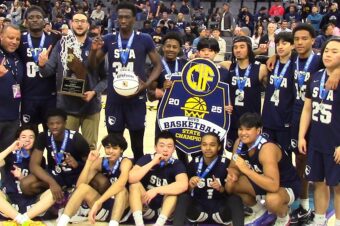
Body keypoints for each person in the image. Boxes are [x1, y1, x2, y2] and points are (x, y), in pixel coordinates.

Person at [89, 1, 162, 161]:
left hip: (136, 99)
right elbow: (93, 66)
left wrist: (146, 84)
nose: (123, 20)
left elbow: (158, 65)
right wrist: (93, 52)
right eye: (120, 17)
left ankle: (137, 177)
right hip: (114, 99)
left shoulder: (145, 39)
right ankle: (116, 175)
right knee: (114, 144)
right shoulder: (108, 39)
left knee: (137, 145)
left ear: (134, 19)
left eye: (127, 17)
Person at [38, 12, 107, 149]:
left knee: (90, 149)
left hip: (91, 107)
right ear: (71, 24)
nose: (79, 24)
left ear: (88, 24)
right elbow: (47, 72)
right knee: (67, 148)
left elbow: (106, 77)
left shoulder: (97, 45)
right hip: (66, 108)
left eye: (83, 21)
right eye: (76, 21)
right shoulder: (61, 44)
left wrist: (94, 92)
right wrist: (41, 64)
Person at [226, 112, 301, 225]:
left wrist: (246, 170)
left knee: (272, 200)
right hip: (262, 181)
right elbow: (232, 167)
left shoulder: (267, 149)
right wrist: (233, 174)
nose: (243, 133)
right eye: (241, 129)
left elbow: (273, 185)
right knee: (231, 184)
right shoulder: (239, 143)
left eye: (248, 129)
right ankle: (260, 212)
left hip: (285, 185)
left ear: (258, 130)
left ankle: (283, 217)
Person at [298, 37, 340, 226]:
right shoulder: (316, 76)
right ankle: (319, 219)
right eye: (326, 51)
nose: (328, 54)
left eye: (334, 51)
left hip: (335, 143)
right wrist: (301, 136)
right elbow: (307, 109)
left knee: (338, 187)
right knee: (318, 183)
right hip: (316, 141)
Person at [57, 134, 133, 226]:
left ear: (121, 150)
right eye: (108, 147)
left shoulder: (125, 162)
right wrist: (89, 162)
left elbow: (120, 184)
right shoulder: (101, 161)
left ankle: (114, 224)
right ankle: (61, 223)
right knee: (83, 188)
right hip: (105, 207)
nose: (111, 151)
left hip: (123, 209)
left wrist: (99, 201)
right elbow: (79, 186)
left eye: (115, 148)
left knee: (122, 191)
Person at [20, 108, 90, 204]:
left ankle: (87, 203)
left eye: (58, 123)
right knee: (25, 184)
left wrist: (77, 164)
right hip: (56, 175)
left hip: (76, 174)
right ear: (47, 124)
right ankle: (53, 200)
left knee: (101, 182)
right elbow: (33, 165)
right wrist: (52, 182)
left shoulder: (77, 138)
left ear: (65, 123)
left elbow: (91, 164)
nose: (55, 126)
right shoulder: (43, 136)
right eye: (51, 124)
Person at [173, 132, 244, 226]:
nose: (208, 148)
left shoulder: (226, 164)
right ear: (200, 146)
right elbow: (186, 191)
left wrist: (221, 188)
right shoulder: (194, 163)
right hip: (198, 210)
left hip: (220, 210)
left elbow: (230, 193)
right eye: (204, 144)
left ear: (219, 147)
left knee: (235, 199)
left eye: (212, 145)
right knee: (183, 198)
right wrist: (190, 185)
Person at [128, 131, 188, 226]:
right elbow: (131, 178)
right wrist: (152, 163)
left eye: (169, 146)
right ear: (155, 147)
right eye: (162, 146)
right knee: (134, 185)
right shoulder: (147, 158)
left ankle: (159, 224)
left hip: (164, 209)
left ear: (174, 149)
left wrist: (157, 190)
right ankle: (139, 223)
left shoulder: (177, 164)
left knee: (173, 193)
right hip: (146, 206)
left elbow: (183, 185)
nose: (165, 149)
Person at [219, 36, 267, 151]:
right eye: (235, 47)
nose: (238, 50)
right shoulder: (228, 66)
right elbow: (208, 62)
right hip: (233, 120)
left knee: (252, 154)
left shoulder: (261, 68)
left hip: (251, 121)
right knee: (233, 154)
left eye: (242, 47)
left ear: (249, 49)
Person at [0, 124, 54, 225]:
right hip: (10, 201)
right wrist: (11, 148)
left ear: (35, 140)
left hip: (31, 203)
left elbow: (40, 183)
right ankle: (21, 219)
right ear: (17, 139)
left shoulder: (39, 159)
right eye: (23, 137)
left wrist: (22, 177)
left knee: (53, 192)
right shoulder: (9, 156)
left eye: (31, 137)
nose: (27, 140)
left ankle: (23, 218)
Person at [148, 32, 188, 163]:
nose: (171, 49)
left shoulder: (186, 65)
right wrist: (160, 90)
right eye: (168, 46)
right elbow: (150, 95)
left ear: (179, 49)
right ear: (163, 47)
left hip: (183, 112)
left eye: (175, 47)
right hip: (164, 113)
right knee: (161, 148)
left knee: (183, 149)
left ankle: (185, 174)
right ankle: (159, 173)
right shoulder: (156, 66)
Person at [18, 6, 56, 129]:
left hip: (50, 96)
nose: (35, 20)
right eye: (31, 17)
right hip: (27, 97)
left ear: (44, 21)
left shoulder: (54, 39)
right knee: (29, 138)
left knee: (51, 138)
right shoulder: (19, 40)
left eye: (39, 17)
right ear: (26, 22)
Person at [262, 32, 295, 153]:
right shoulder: (271, 63)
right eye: (278, 44)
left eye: (284, 43)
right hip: (268, 120)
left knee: (285, 158)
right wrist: (274, 56)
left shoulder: (296, 65)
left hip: (285, 121)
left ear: (292, 45)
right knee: (266, 155)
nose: (280, 46)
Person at [0, 24, 23, 152]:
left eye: (17, 39)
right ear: (1, 36)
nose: (14, 42)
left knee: (8, 161)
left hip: (13, 118)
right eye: (10, 38)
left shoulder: (17, 57)